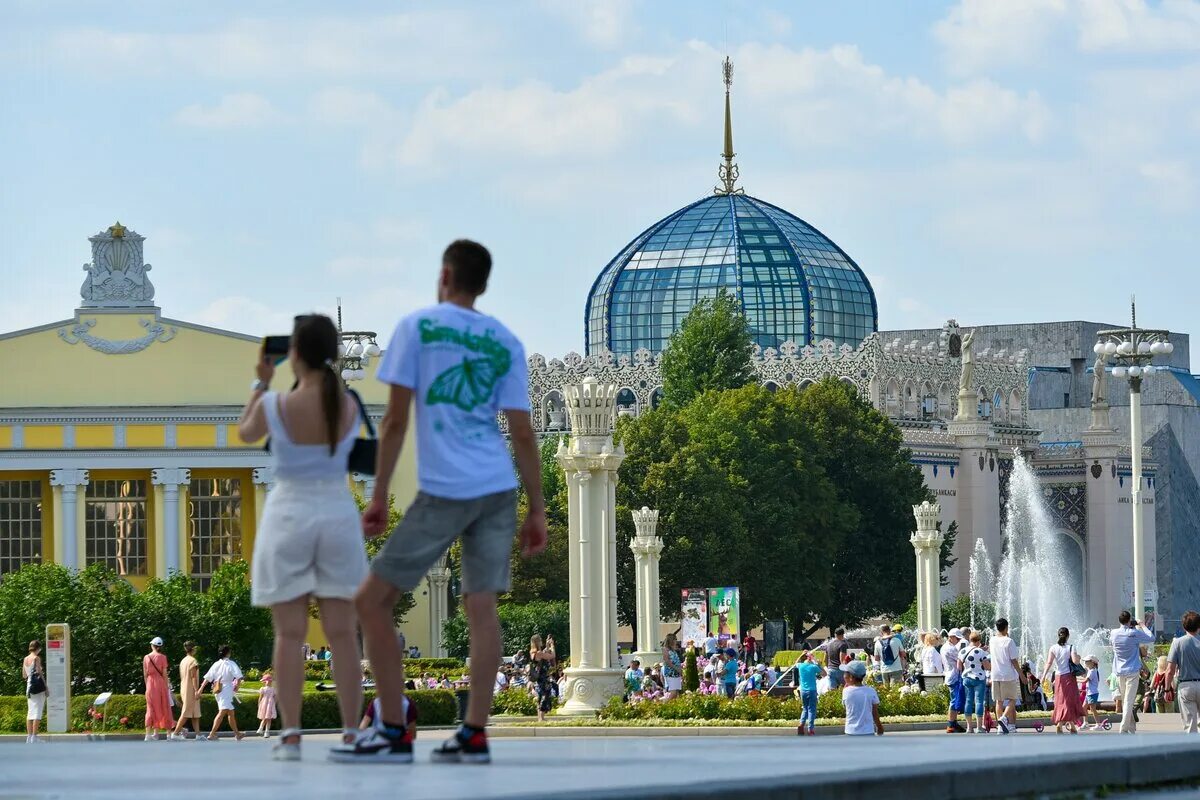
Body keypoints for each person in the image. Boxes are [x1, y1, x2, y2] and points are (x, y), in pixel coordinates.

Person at [333, 240, 546, 766]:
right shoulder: (505, 341)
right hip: (497, 488)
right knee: (482, 610)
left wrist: (379, 494)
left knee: (371, 602)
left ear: (445, 275)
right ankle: (474, 732)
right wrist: (537, 507)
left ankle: (391, 724)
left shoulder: (418, 328)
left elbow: (397, 420)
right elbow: (522, 431)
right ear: (483, 283)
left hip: (448, 489)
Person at [237, 313, 371, 760]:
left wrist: (261, 382)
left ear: (294, 354)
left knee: (289, 634)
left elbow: (246, 432)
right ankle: (351, 731)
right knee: (342, 633)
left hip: (289, 514)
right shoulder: (347, 403)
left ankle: (291, 733)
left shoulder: (277, 404)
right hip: (336, 513)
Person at [1111, 610, 1155, 734]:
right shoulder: (1134, 633)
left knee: (1126, 700)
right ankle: (1124, 728)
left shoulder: (1113, 633)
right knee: (1129, 701)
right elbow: (1152, 637)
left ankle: (1131, 727)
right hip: (1132, 671)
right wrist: (1142, 625)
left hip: (1119, 671)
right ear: (1130, 620)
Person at [1041, 627, 1083, 734]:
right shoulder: (1071, 647)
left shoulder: (1053, 648)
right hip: (1068, 677)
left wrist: (1044, 675)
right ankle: (1062, 724)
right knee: (1069, 701)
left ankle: (1069, 725)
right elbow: (1075, 661)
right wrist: (1078, 657)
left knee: (1060, 701)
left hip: (1058, 677)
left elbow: (1049, 663)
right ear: (1068, 636)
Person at [199, 644, 245, 741]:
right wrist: (237, 686)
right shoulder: (230, 663)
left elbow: (207, 678)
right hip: (226, 688)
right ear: (228, 653)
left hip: (217, 689)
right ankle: (212, 734)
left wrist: (201, 689)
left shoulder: (216, 664)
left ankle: (237, 734)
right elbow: (239, 676)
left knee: (230, 712)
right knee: (223, 711)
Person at [1165, 610, 1199, 733]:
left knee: (1190, 726)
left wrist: (1167, 689)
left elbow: (1169, 670)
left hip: (1186, 686)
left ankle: (1192, 750)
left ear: (1183, 626)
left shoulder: (1177, 643)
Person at [989, 618, 1021, 734]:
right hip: (1008, 675)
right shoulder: (1009, 641)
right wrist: (1021, 674)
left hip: (995, 675)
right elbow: (1014, 660)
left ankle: (1001, 727)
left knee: (999, 701)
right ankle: (1003, 718)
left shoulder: (992, 640)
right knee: (1012, 699)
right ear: (1006, 628)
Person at [142, 636, 175, 742]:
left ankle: (148, 735)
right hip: (161, 683)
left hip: (151, 684)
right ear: (160, 646)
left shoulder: (146, 657)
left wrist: (147, 686)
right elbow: (165, 674)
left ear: (152, 645)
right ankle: (168, 735)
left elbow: (145, 674)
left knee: (151, 708)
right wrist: (167, 687)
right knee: (165, 707)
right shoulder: (163, 657)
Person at [170, 641, 203, 740]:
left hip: (184, 688)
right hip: (191, 689)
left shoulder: (183, 660)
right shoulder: (193, 661)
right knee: (186, 712)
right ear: (192, 649)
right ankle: (175, 734)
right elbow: (193, 677)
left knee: (195, 713)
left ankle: (198, 735)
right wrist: (197, 690)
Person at [840, 660, 883, 736]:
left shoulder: (846, 691)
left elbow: (845, 707)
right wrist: (879, 726)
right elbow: (875, 712)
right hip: (868, 731)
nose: (843, 675)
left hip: (850, 731)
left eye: (845, 673)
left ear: (851, 677)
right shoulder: (871, 691)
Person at [960, 632, 990, 734]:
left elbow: (958, 667)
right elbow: (987, 667)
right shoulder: (980, 651)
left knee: (968, 701)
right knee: (979, 702)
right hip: (979, 679)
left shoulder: (962, 651)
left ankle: (969, 727)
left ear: (970, 640)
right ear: (978, 641)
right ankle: (979, 727)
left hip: (966, 678)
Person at [941, 629, 966, 733]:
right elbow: (962, 659)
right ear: (952, 637)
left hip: (950, 675)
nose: (959, 640)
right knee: (954, 700)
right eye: (958, 638)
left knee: (955, 700)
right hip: (954, 676)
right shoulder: (950, 648)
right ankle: (951, 724)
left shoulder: (945, 647)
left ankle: (954, 723)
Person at [795, 652, 825, 736]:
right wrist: (818, 663)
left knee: (805, 708)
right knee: (812, 709)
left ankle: (801, 724)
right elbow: (824, 674)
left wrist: (801, 654)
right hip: (812, 690)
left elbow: (795, 663)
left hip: (803, 690)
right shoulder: (813, 667)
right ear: (809, 658)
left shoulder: (800, 666)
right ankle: (810, 729)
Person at [527, 635, 555, 723]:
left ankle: (540, 717)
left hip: (539, 678)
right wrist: (552, 646)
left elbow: (543, 655)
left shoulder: (533, 652)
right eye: (540, 640)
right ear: (537, 642)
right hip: (543, 678)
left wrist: (547, 646)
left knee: (540, 697)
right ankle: (541, 718)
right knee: (544, 696)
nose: (542, 641)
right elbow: (552, 656)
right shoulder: (538, 653)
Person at [23, 640, 46, 744]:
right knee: (38, 711)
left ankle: (29, 737)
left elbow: (24, 675)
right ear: (38, 648)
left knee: (30, 711)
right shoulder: (36, 658)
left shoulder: (25, 659)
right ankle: (35, 737)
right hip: (37, 688)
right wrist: (46, 687)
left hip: (29, 687)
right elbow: (40, 674)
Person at [1082, 655, 1103, 729]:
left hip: (1092, 693)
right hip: (1089, 693)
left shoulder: (1092, 671)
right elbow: (1085, 679)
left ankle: (1098, 724)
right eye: (1085, 661)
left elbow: (1085, 681)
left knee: (1092, 709)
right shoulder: (1092, 671)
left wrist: (1074, 680)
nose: (1085, 663)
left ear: (1093, 663)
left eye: (1087, 661)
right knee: (1083, 707)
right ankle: (1085, 723)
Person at [662, 633, 683, 699]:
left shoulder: (673, 650)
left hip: (676, 673)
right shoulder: (665, 649)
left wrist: (680, 669)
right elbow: (667, 661)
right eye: (675, 639)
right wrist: (676, 668)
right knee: (673, 693)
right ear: (671, 640)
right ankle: (664, 705)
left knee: (676, 693)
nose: (676, 641)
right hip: (671, 673)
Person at [256, 672, 278, 738]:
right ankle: (262, 729)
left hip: (268, 704)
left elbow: (275, 698)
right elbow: (260, 697)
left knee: (268, 718)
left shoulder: (273, 689)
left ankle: (264, 730)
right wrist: (259, 704)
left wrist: (274, 704)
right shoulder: (263, 689)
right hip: (265, 704)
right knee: (266, 718)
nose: (267, 683)